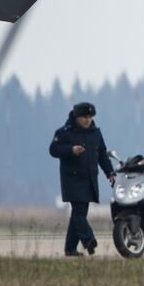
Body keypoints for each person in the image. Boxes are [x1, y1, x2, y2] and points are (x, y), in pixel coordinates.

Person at [49, 101, 115, 257]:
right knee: (79, 211)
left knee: (79, 214)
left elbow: (102, 155)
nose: (88, 120)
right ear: (77, 117)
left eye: (90, 117)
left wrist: (110, 173)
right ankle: (89, 239)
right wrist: (71, 150)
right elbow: (53, 150)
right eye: (84, 117)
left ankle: (70, 249)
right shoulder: (64, 132)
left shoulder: (96, 133)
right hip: (72, 180)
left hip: (89, 179)